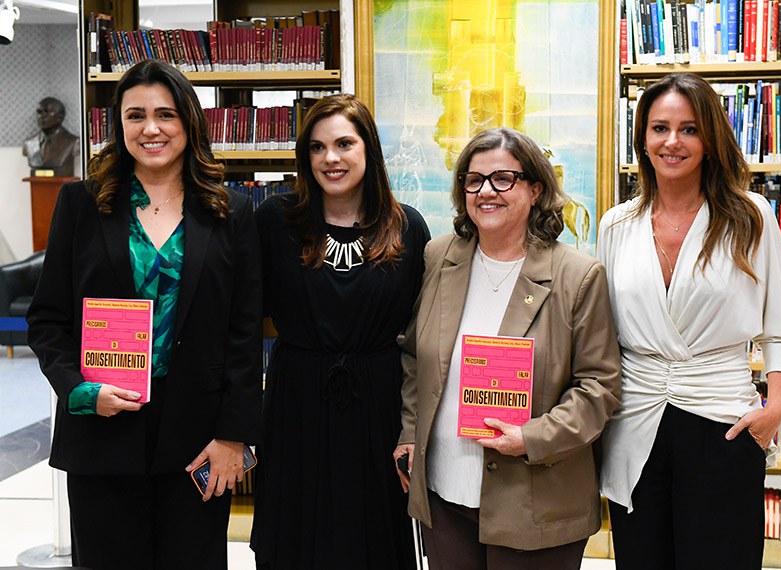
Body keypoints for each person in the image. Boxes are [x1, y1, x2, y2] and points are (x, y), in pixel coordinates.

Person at [27, 59, 262, 570]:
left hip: (199, 440)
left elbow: (243, 334)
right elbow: (47, 320)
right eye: (135, 116)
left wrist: (232, 435)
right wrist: (80, 391)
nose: (150, 128)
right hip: (102, 432)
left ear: (189, 122)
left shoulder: (232, 213)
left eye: (165, 114)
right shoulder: (80, 204)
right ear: (119, 125)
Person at [394, 127, 622, 569]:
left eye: (503, 179)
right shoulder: (440, 256)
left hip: (534, 498)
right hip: (445, 489)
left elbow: (599, 388)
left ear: (535, 188)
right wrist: (409, 431)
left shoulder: (578, 276)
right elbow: (412, 357)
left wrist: (530, 438)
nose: (486, 192)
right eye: (474, 180)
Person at [597, 73, 781, 569]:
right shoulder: (616, 225)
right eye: (659, 127)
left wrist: (775, 408)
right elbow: (601, 333)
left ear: (710, 139)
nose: (672, 141)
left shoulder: (750, 216)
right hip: (635, 417)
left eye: (688, 129)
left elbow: (778, 325)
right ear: (642, 138)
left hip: (721, 418)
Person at [250, 93, 430, 569]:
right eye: (316, 147)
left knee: (372, 538)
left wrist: (414, 428)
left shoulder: (407, 228)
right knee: (296, 538)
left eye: (344, 144)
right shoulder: (274, 221)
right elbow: (242, 318)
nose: (330, 158)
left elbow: (420, 338)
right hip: (296, 402)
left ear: (368, 149)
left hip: (378, 408)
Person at [22, 96, 80, 176]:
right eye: (39, 112)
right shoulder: (29, 143)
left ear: (60, 117)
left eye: (46, 111)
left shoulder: (74, 142)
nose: (42, 116)